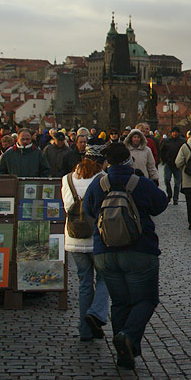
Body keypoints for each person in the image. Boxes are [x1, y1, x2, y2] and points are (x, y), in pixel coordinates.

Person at [83, 143, 168, 370]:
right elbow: (161, 204)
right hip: (140, 250)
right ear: (129, 159)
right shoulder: (140, 183)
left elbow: (88, 211)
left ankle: (124, 354)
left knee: (120, 302)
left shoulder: (98, 184)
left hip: (105, 252)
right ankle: (128, 337)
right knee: (146, 299)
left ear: (107, 162)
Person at [61, 143, 110, 341]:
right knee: (105, 278)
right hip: (96, 238)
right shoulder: (102, 180)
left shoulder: (67, 179)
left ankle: (84, 330)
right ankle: (96, 312)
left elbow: (67, 206)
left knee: (84, 283)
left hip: (74, 237)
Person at [158, 126, 186, 205]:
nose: (175, 133)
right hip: (168, 164)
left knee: (177, 183)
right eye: (173, 132)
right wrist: (164, 160)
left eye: (176, 132)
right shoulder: (166, 141)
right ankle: (169, 193)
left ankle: (175, 198)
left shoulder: (182, 141)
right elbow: (162, 151)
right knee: (167, 180)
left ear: (179, 133)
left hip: (178, 165)